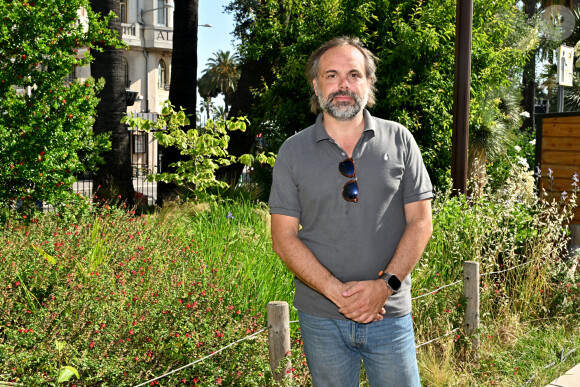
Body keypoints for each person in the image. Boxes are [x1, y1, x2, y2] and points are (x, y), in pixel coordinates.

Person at [268, 36, 433, 387]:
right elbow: (283, 238)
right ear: (316, 84)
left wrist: (383, 287)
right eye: (331, 75)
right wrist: (338, 295)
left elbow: (421, 222)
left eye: (354, 74)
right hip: (321, 319)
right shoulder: (292, 152)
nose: (343, 85)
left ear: (368, 82)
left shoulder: (401, 140)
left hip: (389, 314)